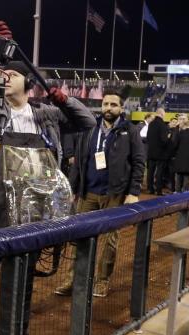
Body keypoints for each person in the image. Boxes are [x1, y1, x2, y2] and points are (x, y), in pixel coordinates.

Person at [0, 46, 96, 335]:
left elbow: (87, 121)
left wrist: (64, 99)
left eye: (13, 75)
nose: (5, 79)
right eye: (3, 75)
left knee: (23, 277)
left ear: (29, 83)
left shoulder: (45, 114)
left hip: (33, 207)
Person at [55, 90, 145, 298]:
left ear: (121, 108)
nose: (108, 108)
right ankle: (74, 279)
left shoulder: (129, 131)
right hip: (88, 193)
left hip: (114, 194)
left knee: (109, 240)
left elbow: (139, 162)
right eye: (105, 104)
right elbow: (79, 161)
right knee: (80, 238)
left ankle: (102, 281)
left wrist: (133, 192)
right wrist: (73, 189)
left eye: (114, 105)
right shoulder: (90, 129)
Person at [170, 115, 189, 193]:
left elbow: (174, 145)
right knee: (186, 182)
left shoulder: (180, 133)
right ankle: (184, 197)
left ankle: (177, 195)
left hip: (180, 160)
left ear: (184, 125)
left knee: (178, 180)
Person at [145, 108, 171, 195]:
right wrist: (168, 139)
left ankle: (150, 188)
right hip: (160, 153)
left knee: (150, 171)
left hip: (151, 152)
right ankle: (158, 190)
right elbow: (164, 140)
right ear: (162, 114)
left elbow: (148, 138)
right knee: (159, 172)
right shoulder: (162, 125)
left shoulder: (151, 124)